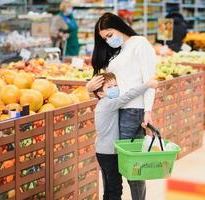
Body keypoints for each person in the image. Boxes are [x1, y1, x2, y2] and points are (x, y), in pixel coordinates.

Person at [86, 12, 156, 200]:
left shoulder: (139, 43)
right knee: (117, 164)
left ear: (119, 26)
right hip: (118, 109)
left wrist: (148, 110)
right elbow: (109, 84)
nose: (108, 40)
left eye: (109, 34)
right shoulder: (119, 50)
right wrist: (90, 87)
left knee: (131, 165)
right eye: (105, 38)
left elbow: (149, 80)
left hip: (133, 110)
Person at [94, 72, 158, 200]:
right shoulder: (109, 104)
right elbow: (128, 96)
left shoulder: (101, 105)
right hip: (110, 153)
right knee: (115, 188)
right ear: (101, 94)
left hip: (101, 151)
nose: (115, 89)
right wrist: (147, 85)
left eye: (115, 85)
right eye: (110, 87)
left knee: (109, 186)